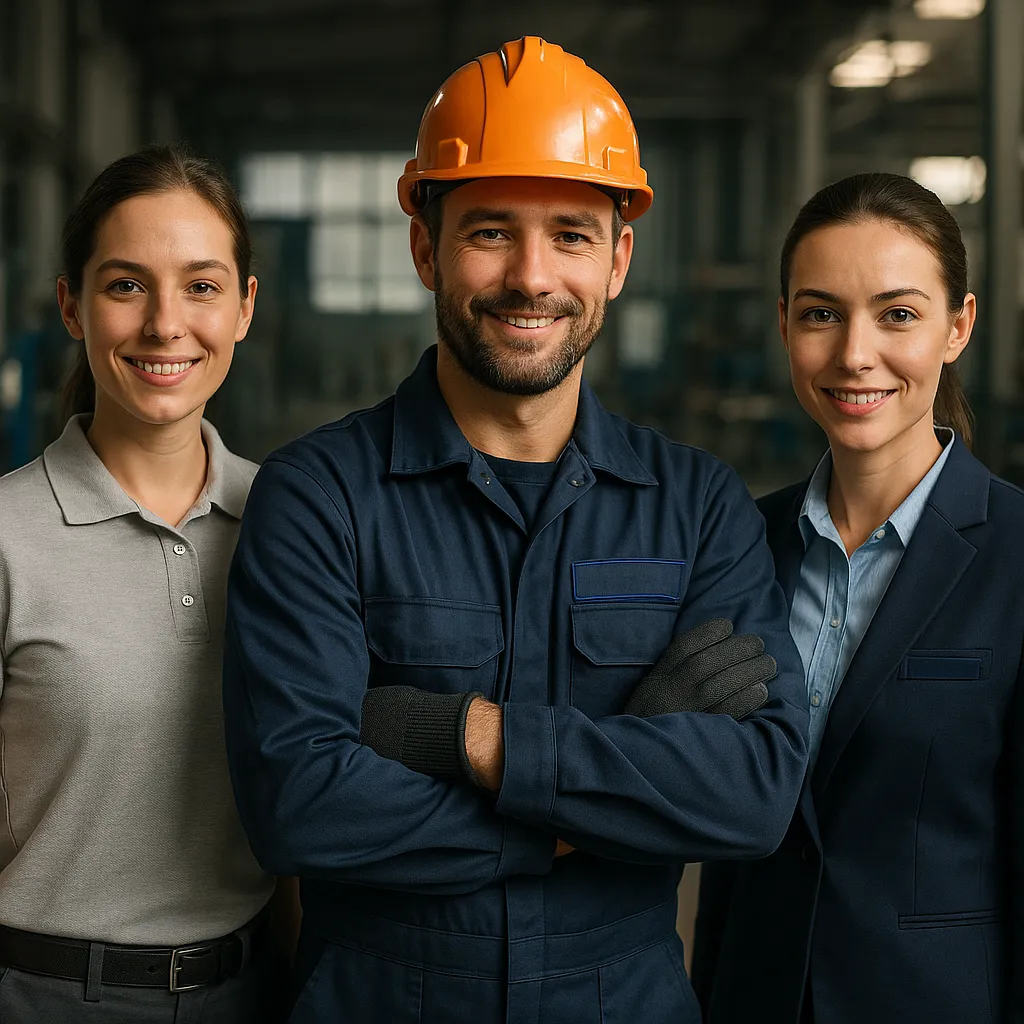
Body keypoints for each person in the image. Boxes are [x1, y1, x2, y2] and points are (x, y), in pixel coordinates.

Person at [223, 36, 808, 1024]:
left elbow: (751, 793)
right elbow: (299, 803)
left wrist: (469, 736)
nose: (531, 276)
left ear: (618, 258)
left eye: (572, 235)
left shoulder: (700, 504)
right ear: (425, 247)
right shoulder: (317, 495)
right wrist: (612, 787)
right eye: (491, 230)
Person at [692, 172, 1022, 1024]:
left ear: (959, 326)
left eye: (898, 314)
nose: (853, 354)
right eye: (820, 313)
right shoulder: (737, 548)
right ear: (785, 326)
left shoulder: (1017, 557)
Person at [0, 145, 289, 1022]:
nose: (167, 324)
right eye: (126, 286)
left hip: (252, 989)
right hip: (42, 996)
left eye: (201, 287)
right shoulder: (9, 537)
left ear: (243, 308)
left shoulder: (296, 529)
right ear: (72, 308)